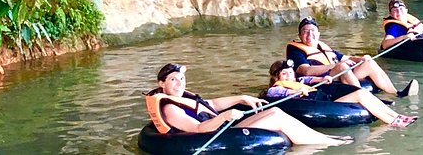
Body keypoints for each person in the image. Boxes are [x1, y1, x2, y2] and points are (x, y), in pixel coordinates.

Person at [144, 63, 352, 146]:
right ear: (161, 83)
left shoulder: (184, 97)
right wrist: (224, 116)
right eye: (173, 79)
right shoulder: (170, 108)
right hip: (216, 136)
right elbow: (198, 128)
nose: (179, 83)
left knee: (275, 110)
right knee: (276, 118)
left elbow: (211, 104)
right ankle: (330, 143)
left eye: (181, 79)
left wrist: (242, 98)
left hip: (223, 128)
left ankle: (326, 138)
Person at [286, 17, 419, 97]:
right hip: (321, 81)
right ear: (300, 35)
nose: (309, 34)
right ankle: (366, 99)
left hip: (338, 75)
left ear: (318, 34)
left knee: (368, 62)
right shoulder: (295, 50)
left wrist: (361, 59)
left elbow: (344, 57)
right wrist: (335, 66)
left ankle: (396, 93)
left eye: (312, 31)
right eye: (305, 32)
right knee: (342, 67)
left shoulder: (322, 47)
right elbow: (305, 70)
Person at [266, 59, 418, 127]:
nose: (289, 76)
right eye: (284, 74)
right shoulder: (276, 88)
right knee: (360, 95)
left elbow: (310, 79)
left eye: (290, 72)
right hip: (324, 106)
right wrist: (296, 91)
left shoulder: (299, 80)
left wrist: (324, 78)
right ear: (277, 77)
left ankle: (397, 116)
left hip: (326, 101)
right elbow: (276, 93)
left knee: (362, 93)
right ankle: (393, 122)